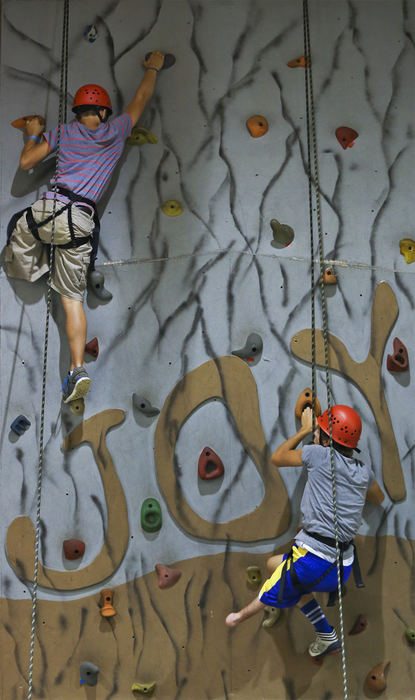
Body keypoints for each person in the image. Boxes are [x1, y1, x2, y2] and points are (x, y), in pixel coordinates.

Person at [5, 50, 166, 403]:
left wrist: (35, 135)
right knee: (71, 301)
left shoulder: (64, 132)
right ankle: (77, 369)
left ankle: (29, 266)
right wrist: (152, 67)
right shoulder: (117, 130)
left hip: (49, 210)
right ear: (104, 112)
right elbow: (141, 98)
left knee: (19, 233)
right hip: (80, 221)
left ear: (78, 112)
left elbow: (27, 161)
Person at [225, 405, 384, 660]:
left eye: (318, 432)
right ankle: (325, 633)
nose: (314, 437)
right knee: (273, 563)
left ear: (326, 439)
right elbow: (378, 497)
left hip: (314, 564)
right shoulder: (363, 471)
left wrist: (303, 430)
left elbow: (278, 457)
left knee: (277, 583)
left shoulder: (318, 455)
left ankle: (292, 605)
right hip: (342, 567)